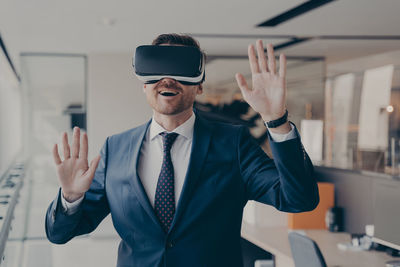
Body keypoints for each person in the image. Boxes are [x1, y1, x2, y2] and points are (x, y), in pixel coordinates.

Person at [45, 33, 319, 267]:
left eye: (181, 70)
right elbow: (60, 234)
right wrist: (70, 196)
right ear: (144, 84)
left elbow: (298, 200)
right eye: (157, 69)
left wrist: (277, 121)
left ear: (199, 85)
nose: (168, 79)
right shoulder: (116, 148)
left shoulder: (232, 143)